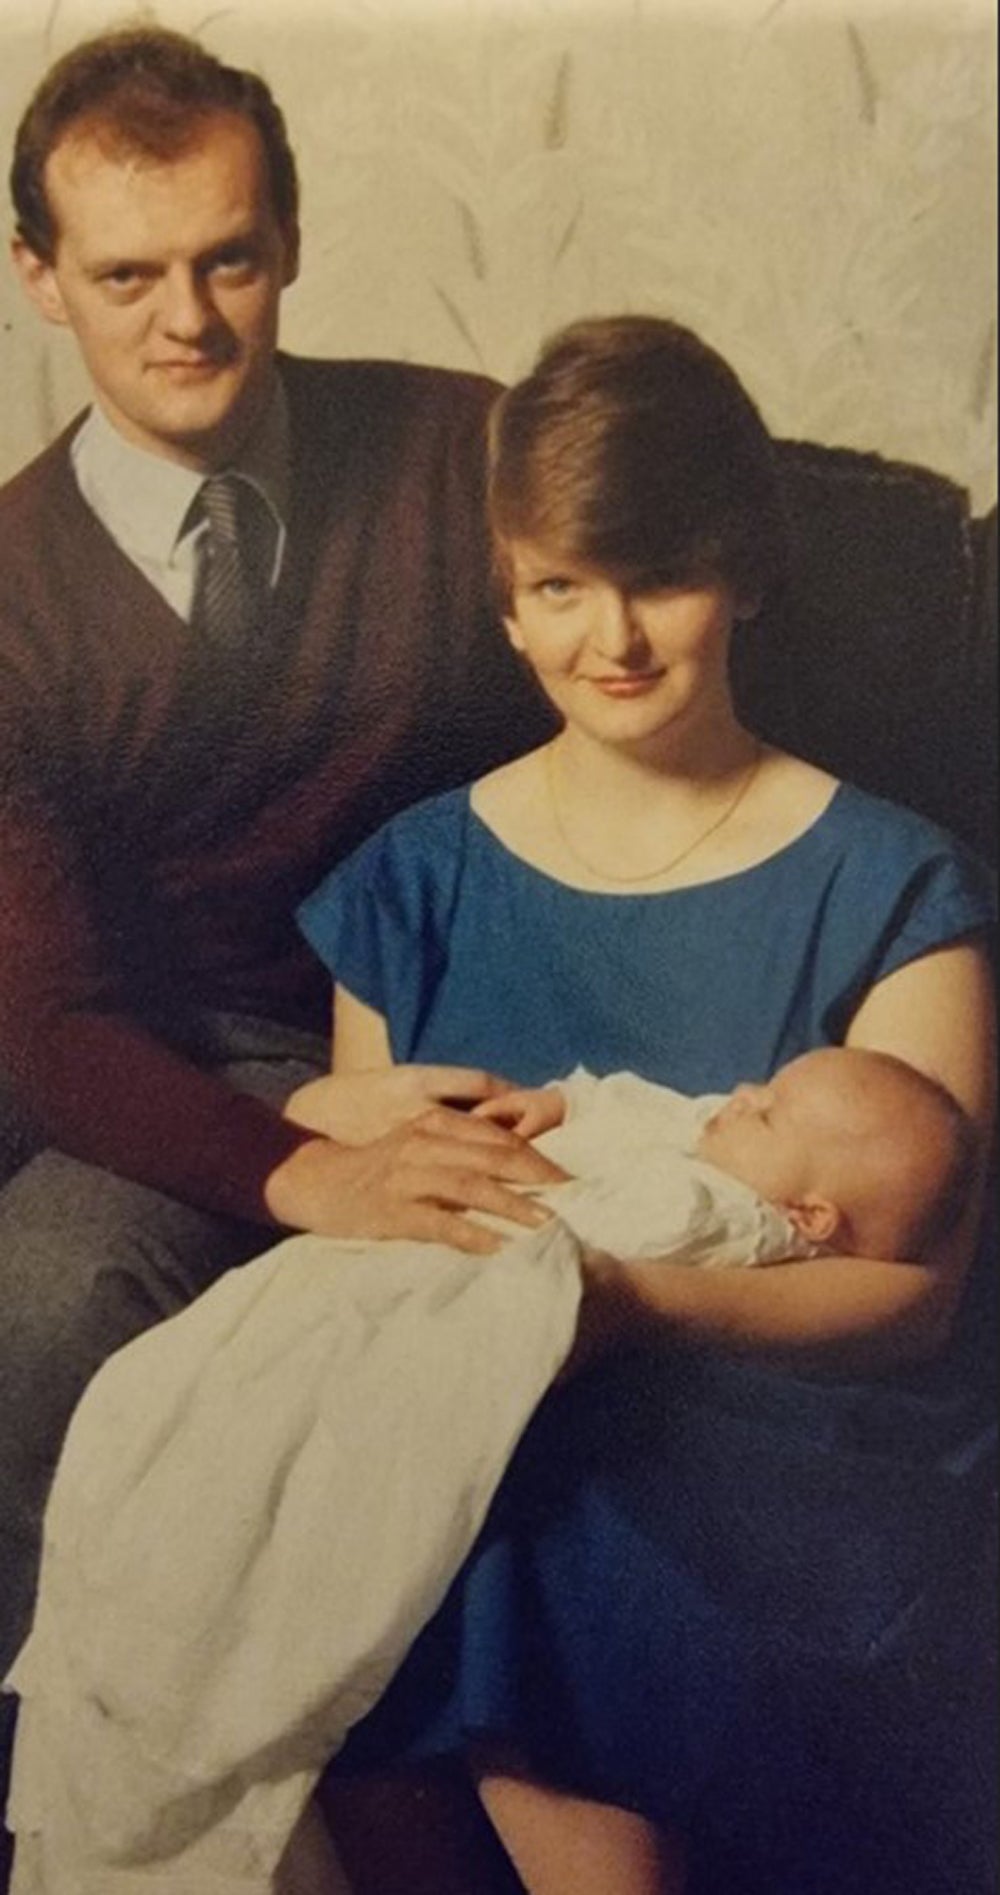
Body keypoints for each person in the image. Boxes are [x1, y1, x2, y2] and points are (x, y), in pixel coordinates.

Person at [288, 316, 996, 1895]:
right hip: (469, 1409)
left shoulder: (896, 883)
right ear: (509, 600)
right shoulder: (416, 878)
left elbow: (915, 1301)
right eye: (558, 585)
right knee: (363, 1515)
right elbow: (372, 1221)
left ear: (744, 569)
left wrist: (617, 1305)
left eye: (657, 574)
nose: (610, 635)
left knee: (535, 1507)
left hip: (791, 1442)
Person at [0, 22, 560, 1875]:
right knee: (48, 1307)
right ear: (37, 281)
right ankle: (124, 1832)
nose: (188, 321)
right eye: (127, 275)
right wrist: (308, 1164)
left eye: (228, 258)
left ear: (293, 243)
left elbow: (627, 720)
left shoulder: (462, 453)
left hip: (455, 1020)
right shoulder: (7, 599)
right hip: (170, 1062)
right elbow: (55, 1025)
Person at [4, 1047, 973, 1894]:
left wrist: (555, 1173)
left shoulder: (727, 1213)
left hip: (550, 1341)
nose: (742, 1089)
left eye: (768, 1108)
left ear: (807, 1213)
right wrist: (566, 1110)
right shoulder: (720, 1142)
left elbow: (604, 1228)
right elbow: (651, 1109)